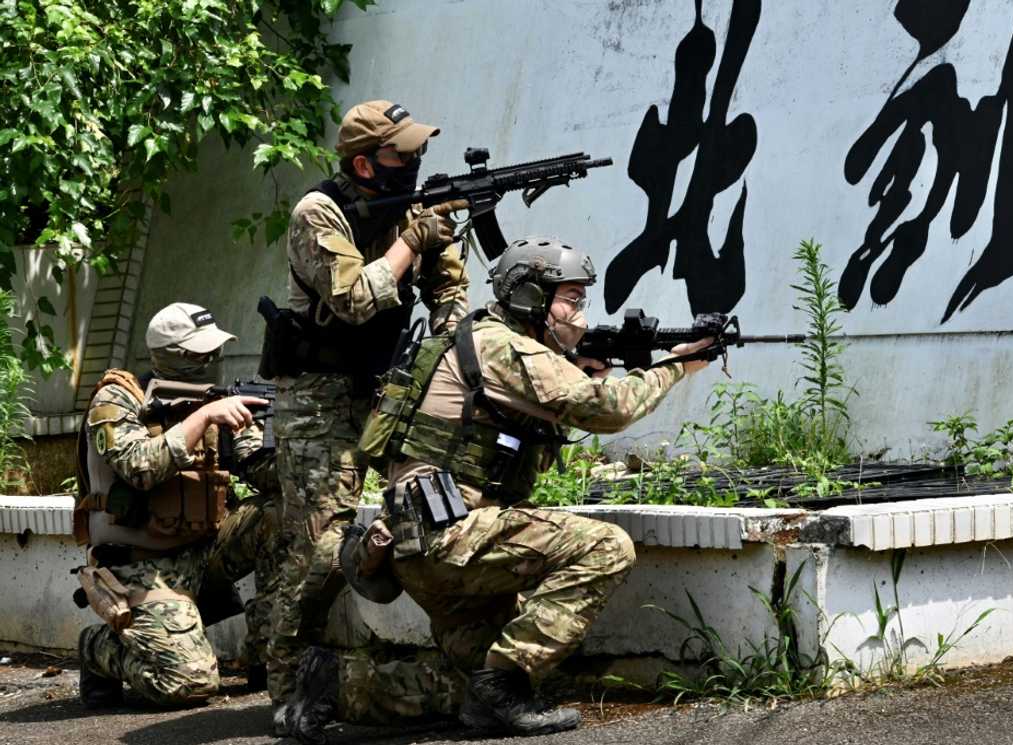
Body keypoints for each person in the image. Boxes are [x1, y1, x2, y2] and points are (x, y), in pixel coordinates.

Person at [293, 236, 713, 740]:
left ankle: (334, 687)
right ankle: (502, 687)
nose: (579, 313)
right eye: (571, 298)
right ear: (531, 297)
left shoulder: (484, 341)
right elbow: (609, 408)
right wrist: (678, 366)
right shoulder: (503, 345)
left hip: (420, 541)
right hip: (453, 537)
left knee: (463, 686)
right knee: (605, 548)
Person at [261, 99, 470, 733]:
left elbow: (449, 291)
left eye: (417, 153)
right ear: (363, 161)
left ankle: (467, 664)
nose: (414, 163)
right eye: (400, 153)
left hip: (383, 391)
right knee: (322, 547)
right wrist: (412, 240)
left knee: (429, 514)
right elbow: (354, 299)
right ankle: (288, 688)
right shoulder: (316, 213)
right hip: (317, 399)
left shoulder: (410, 210)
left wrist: (449, 340)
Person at [74, 302, 277, 708]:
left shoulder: (215, 401)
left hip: (204, 553)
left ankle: (269, 653)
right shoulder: (117, 399)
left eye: (214, 353)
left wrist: (282, 433)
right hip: (140, 566)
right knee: (189, 683)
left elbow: (263, 474)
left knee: (282, 516)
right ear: (172, 356)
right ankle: (97, 648)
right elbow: (138, 468)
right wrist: (203, 419)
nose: (213, 362)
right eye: (202, 355)